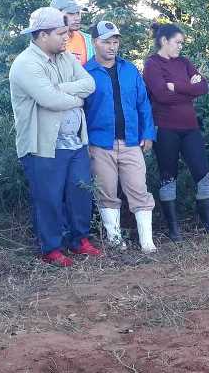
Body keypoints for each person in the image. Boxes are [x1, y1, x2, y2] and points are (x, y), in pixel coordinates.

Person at [9, 7, 101, 267]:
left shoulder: (65, 58)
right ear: (41, 35)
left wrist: (62, 90)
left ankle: (79, 239)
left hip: (75, 142)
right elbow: (49, 100)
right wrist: (75, 97)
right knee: (48, 198)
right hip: (43, 146)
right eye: (61, 33)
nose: (66, 37)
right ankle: (51, 248)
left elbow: (89, 84)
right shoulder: (26, 64)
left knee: (80, 192)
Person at [83, 20, 157, 254]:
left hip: (131, 141)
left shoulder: (129, 70)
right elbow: (80, 111)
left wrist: (148, 133)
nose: (112, 46)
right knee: (106, 191)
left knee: (138, 189)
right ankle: (115, 241)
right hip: (99, 142)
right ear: (95, 42)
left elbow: (143, 103)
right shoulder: (85, 72)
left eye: (115, 41)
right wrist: (84, 142)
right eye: (106, 42)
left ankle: (147, 242)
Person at [143, 22, 209, 240]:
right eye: (177, 42)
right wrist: (188, 88)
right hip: (166, 129)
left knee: (203, 174)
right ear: (164, 41)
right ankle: (173, 229)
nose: (180, 47)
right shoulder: (152, 65)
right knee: (168, 177)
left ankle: (208, 223)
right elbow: (161, 95)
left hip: (190, 128)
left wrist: (176, 86)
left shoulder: (184, 62)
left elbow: (202, 87)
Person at [51, 0, 94, 66]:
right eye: (71, 13)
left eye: (78, 13)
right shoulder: (45, 43)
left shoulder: (89, 41)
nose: (77, 18)